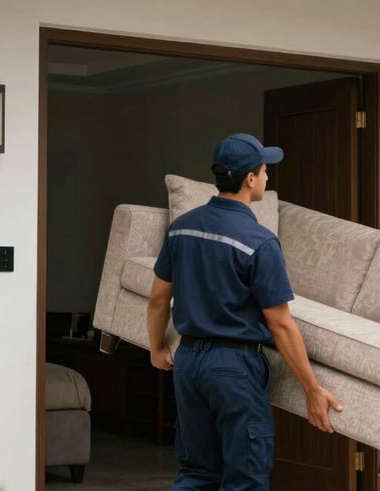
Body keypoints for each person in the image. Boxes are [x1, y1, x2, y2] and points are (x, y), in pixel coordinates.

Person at [147, 133, 342, 490]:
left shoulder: (181, 228)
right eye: (265, 170)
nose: (268, 178)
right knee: (246, 479)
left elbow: (158, 298)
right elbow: (281, 325)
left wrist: (157, 347)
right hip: (234, 367)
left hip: (188, 361)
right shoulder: (259, 241)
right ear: (249, 179)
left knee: (196, 473)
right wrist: (312, 389)